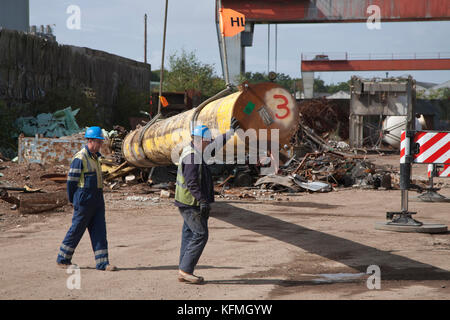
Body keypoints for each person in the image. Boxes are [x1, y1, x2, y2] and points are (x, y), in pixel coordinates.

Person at [175, 118, 240, 284]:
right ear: (201, 140)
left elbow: (215, 145)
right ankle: (186, 270)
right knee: (200, 234)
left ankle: (183, 269)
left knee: (189, 234)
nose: (210, 143)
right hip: (191, 203)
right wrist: (202, 201)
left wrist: (230, 134)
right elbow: (191, 182)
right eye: (208, 141)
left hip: (187, 202)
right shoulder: (191, 157)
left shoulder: (196, 150)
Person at [56, 126, 117, 271]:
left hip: (97, 200)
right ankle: (63, 258)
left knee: (100, 231)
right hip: (84, 200)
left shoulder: (97, 158)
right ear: (90, 140)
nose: (101, 144)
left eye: (101, 142)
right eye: (99, 141)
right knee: (76, 230)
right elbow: (71, 182)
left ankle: (103, 263)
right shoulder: (80, 158)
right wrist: (72, 200)